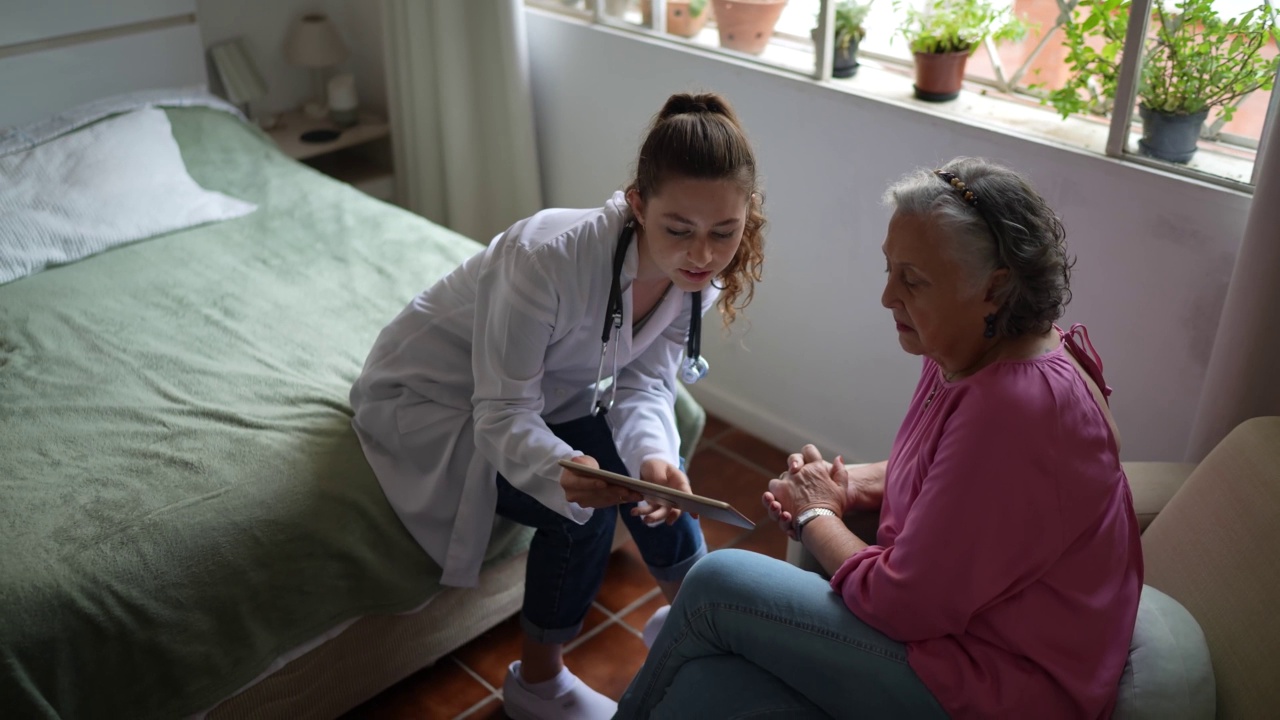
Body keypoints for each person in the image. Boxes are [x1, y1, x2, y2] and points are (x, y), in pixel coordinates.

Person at [615, 157, 1143, 720]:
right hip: (961, 639)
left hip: (1000, 684)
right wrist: (846, 485)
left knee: (719, 581)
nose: (889, 296)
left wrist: (818, 515)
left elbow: (905, 604)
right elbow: (955, 478)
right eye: (890, 270)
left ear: (996, 288)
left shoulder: (1018, 409)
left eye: (913, 280)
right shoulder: (972, 346)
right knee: (703, 685)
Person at [349, 92, 764, 720]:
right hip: (437, 399)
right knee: (582, 507)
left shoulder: (695, 282)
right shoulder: (547, 258)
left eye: (724, 233)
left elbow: (646, 384)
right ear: (636, 204)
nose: (702, 255)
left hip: (545, 392)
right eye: (678, 230)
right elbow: (499, 410)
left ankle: (692, 628)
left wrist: (653, 455)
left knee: (659, 479)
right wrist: (558, 470)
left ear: (745, 217)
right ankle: (537, 684)